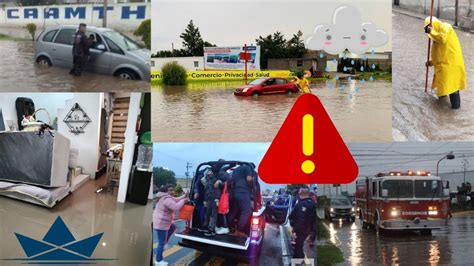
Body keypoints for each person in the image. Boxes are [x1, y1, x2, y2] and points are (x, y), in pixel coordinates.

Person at [424, 17, 466, 109]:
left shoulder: (445, 27)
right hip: (442, 66)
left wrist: (431, 31)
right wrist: (430, 62)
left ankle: (455, 112)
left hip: (451, 65)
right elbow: (438, 54)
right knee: (442, 87)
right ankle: (442, 112)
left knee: (452, 88)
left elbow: (442, 38)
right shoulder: (435, 38)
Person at [153, 185, 189, 266]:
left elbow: (176, 199)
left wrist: (184, 197)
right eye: (170, 190)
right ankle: (158, 261)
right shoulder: (166, 199)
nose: (172, 191)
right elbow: (176, 207)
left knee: (173, 227)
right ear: (166, 191)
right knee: (161, 243)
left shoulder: (166, 197)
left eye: (173, 190)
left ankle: (164, 243)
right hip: (161, 223)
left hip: (162, 222)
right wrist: (184, 201)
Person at [227, 163, 254, 237]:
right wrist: (252, 183)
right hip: (243, 192)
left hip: (235, 192)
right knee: (246, 211)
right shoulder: (248, 167)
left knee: (234, 210)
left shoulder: (236, 170)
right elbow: (249, 179)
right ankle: (239, 230)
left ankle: (228, 227)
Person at [289, 188, 317, 259]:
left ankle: (296, 263)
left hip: (301, 231)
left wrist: (294, 231)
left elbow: (295, 218)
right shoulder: (313, 204)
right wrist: (312, 234)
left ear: (300, 195)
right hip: (310, 231)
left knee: (298, 249)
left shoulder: (300, 205)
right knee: (301, 249)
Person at [200, 168, 221, 236]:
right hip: (209, 199)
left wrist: (217, 199)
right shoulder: (208, 180)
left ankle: (211, 229)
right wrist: (205, 200)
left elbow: (218, 189)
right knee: (208, 213)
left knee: (213, 215)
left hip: (214, 199)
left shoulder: (214, 179)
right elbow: (206, 192)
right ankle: (206, 226)